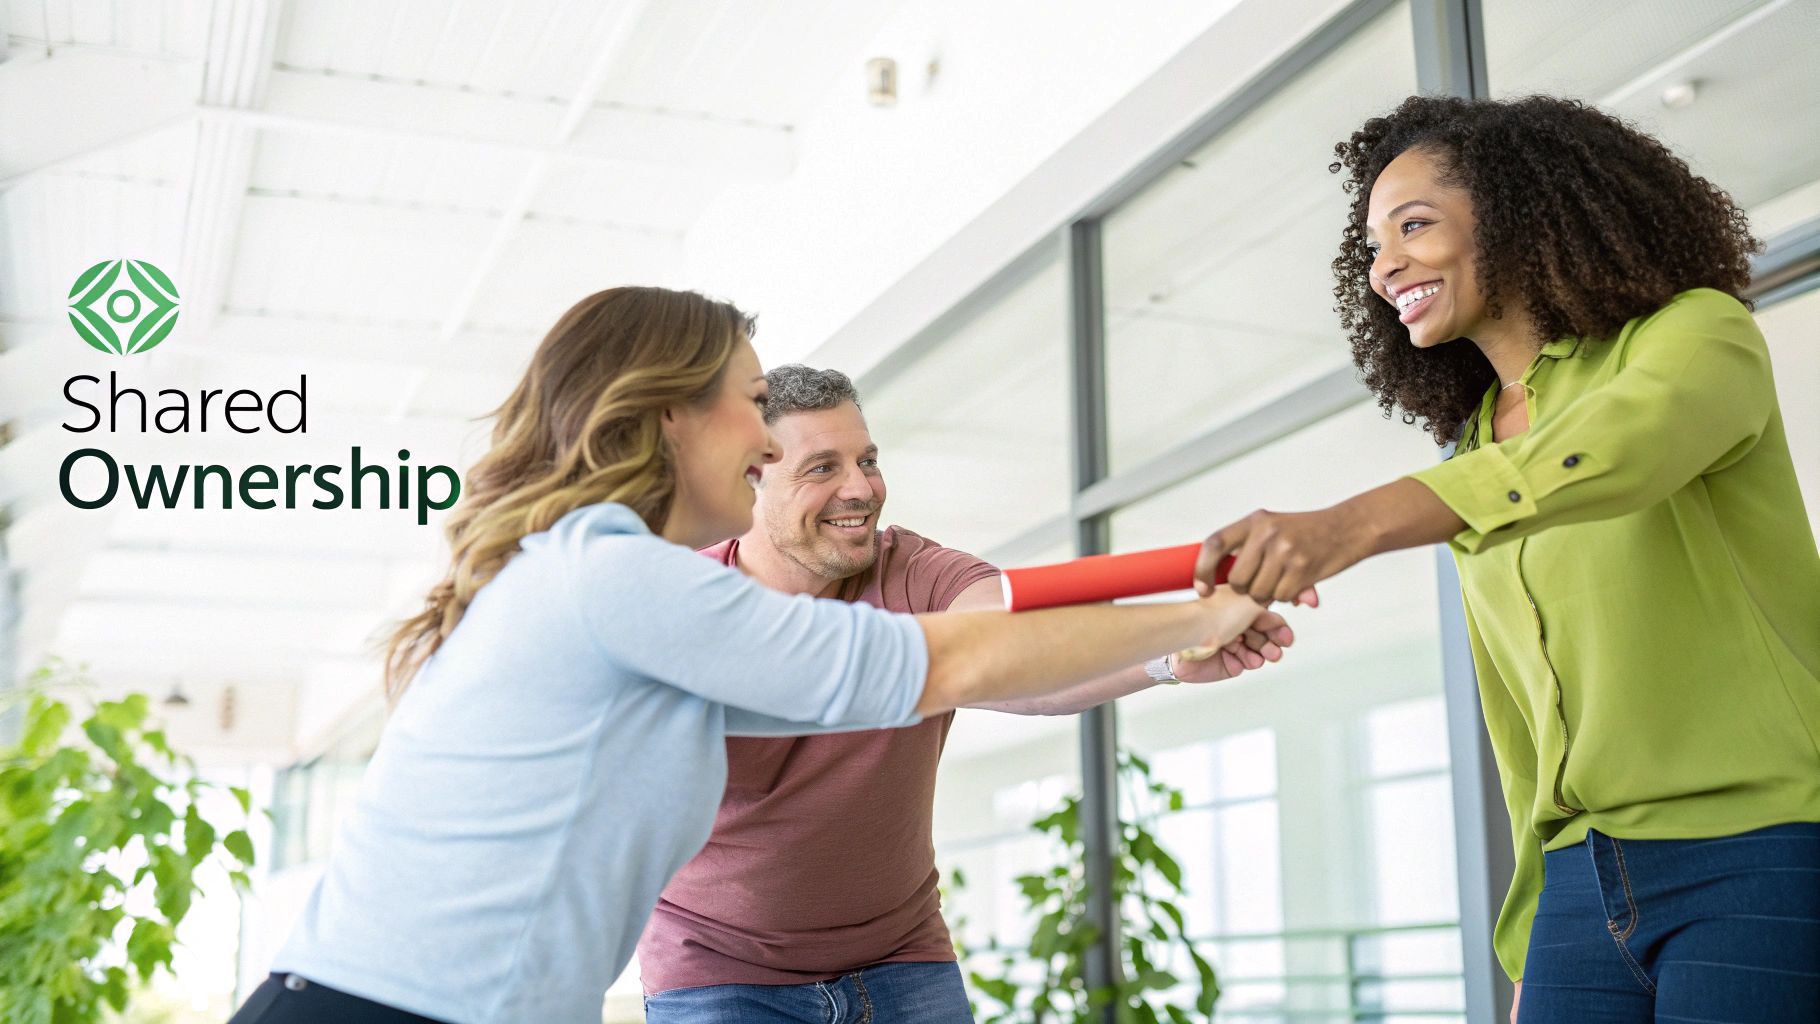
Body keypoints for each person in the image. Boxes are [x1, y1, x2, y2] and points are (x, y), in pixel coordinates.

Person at [227, 286, 1293, 1024]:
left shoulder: (612, 581)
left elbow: (959, 653)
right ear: (671, 416)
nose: (761, 437)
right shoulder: (618, 577)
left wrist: (1167, 645)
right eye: (749, 402)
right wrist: (1192, 619)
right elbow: (949, 663)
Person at [1189, 95, 1820, 1023]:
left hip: (1755, 850)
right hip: (1577, 883)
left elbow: (1617, 450)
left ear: (1517, 214)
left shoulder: (1697, 335)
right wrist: (1530, 933)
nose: (1384, 265)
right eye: (1372, 244)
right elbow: (1521, 724)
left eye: (1414, 225)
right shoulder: (1475, 446)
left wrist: (1350, 526)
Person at [637, 365, 1302, 1022]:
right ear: (750, 480)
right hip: (721, 971)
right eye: (822, 468)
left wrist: (1171, 653)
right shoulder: (681, 606)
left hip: (900, 958)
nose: (861, 488)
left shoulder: (916, 571)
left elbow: (1016, 649)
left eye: (868, 461)